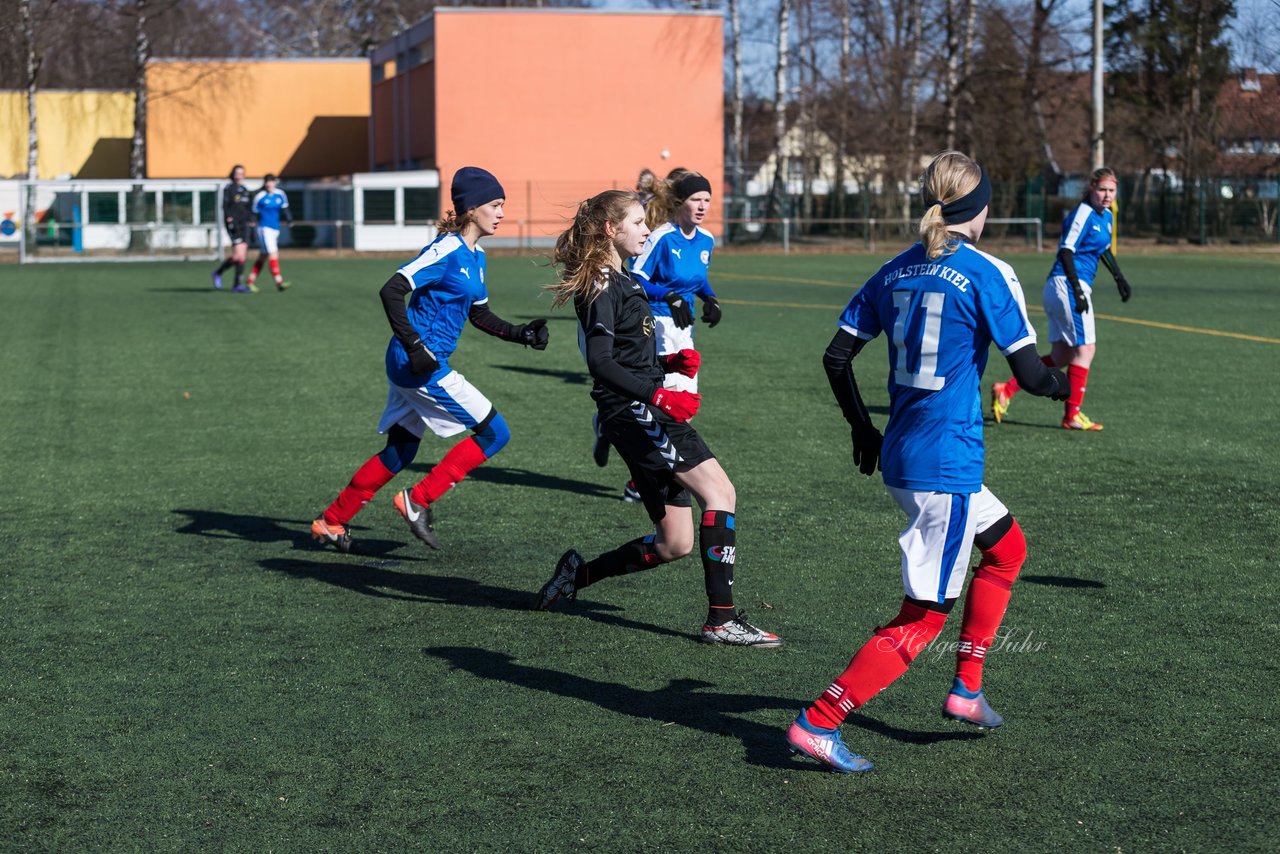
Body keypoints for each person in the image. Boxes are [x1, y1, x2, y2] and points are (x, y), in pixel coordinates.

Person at [785, 151, 1070, 773]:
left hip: (905, 452)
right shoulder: (988, 272)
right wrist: (1059, 383)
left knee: (1008, 549)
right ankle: (820, 720)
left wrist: (863, 429)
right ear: (984, 207)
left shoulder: (893, 270)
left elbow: (836, 357)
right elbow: (1028, 371)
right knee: (922, 616)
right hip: (946, 464)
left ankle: (966, 691)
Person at [535, 189, 781, 648]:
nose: (647, 229)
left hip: (640, 408)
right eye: (637, 222)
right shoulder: (601, 286)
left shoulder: (624, 280)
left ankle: (576, 574)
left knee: (675, 543)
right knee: (721, 492)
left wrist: (669, 366)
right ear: (611, 230)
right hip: (636, 412)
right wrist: (659, 396)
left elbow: (627, 356)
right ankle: (721, 620)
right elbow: (602, 363)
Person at [310, 167, 549, 554]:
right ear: (471, 209)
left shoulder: (477, 256)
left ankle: (331, 521)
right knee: (495, 433)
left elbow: (480, 315)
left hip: (415, 362)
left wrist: (521, 334)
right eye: (495, 204)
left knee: (400, 451)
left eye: (502, 204)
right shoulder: (446, 250)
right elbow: (392, 290)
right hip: (419, 364)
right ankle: (417, 500)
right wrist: (416, 346)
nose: (502, 212)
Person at [592, 170, 722, 506]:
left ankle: (610, 429)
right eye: (696, 199)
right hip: (658, 327)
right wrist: (669, 296)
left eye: (708, 199)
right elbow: (635, 276)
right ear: (680, 203)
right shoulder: (662, 237)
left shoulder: (706, 240)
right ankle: (641, 480)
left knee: (685, 407)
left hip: (685, 329)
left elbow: (698, 279)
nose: (703, 206)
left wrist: (711, 298)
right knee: (664, 406)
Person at [990, 167, 1133, 430]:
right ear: (1091, 189)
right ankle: (1072, 416)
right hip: (1066, 285)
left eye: (1111, 190)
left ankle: (1005, 390)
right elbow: (1066, 251)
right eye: (1102, 189)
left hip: (1064, 287)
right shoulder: (1083, 213)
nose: (1107, 195)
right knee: (1086, 350)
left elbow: (1103, 251)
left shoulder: (1107, 217)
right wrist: (1077, 290)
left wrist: (1119, 277)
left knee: (1063, 354)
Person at [245, 173, 293, 292]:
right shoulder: (260, 196)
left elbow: (285, 209)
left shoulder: (280, 194)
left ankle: (250, 281)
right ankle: (279, 282)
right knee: (273, 253)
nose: (269, 184)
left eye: (271, 181)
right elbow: (254, 213)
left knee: (263, 256)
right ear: (264, 183)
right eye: (267, 181)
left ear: (275, 182)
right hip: (264, 228)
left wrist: (289, 220)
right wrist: (252, 222)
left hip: (275, 228)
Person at [211, 165, 252, 290]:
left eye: (241, 173)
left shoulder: (245, 189)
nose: (239, 175)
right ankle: (224, 276)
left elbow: (247, 207)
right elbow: (225, 205)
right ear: (233, 175)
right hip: (234, 225)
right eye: (237, 173)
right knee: (238, 256)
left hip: (244, 225)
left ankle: (232, 281)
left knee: (241, 257)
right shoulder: (229, 188)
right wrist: (229, 218)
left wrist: (251, 220)